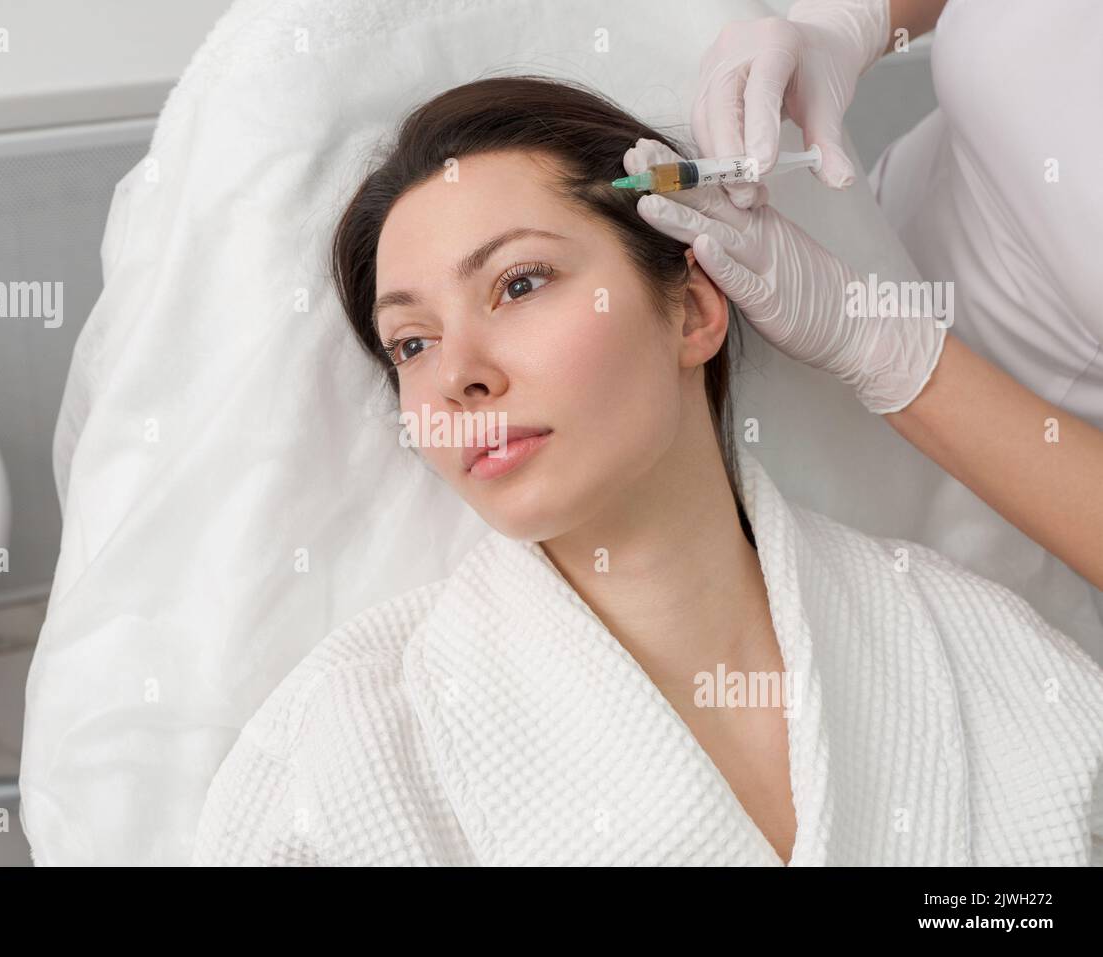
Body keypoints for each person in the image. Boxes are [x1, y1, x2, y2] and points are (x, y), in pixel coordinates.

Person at [190, 76, 1103, 867]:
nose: (457, 373)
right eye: (412, 342)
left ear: (695, 309)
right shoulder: (344, 748)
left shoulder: (985, 659)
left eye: (518, 283)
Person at [668, 0, 1103, 593]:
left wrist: (887, 350)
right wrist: (846, 24)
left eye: (522, 282)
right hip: (852, 241)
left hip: (1000, 495)